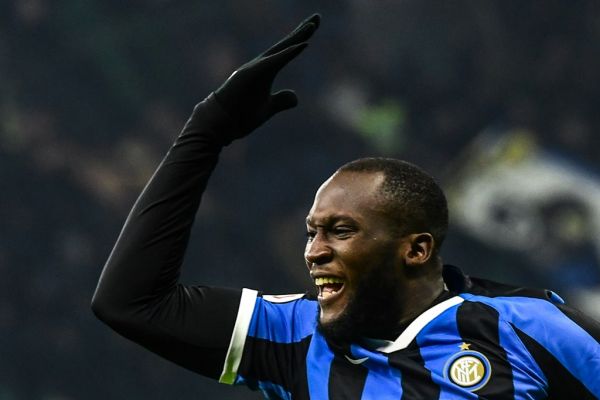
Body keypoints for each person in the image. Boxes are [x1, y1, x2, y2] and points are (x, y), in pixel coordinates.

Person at [91, 14, 600, 399]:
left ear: (416, 249)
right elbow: (131, 304)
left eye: (339, 231)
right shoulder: (294, 340)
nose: (314, 252)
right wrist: (203, 133)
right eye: (312, 233)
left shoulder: (527, 327)